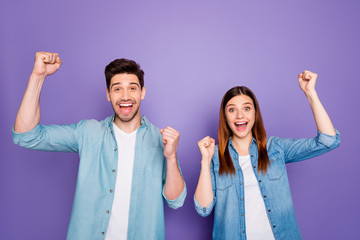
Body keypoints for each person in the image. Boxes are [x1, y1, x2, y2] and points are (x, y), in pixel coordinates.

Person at [12, 52, 186, 240]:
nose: (125, 96)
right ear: (108, 95)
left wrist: (171, 157)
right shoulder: (88, 132)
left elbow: (176, 200)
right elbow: (26, 136)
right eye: (117, 89)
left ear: (142, 92)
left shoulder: (161, 140)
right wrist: (38, 76)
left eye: (132, 88)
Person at [194, 70, 340, 239]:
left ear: (255, 114)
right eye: (232, 110)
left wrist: (310, 93)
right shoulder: (214, 158)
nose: (240, 115)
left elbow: (329, 141)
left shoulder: (275, 148)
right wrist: (205, 161)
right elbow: (203, 208)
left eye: (247, 108)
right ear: (225, 117)